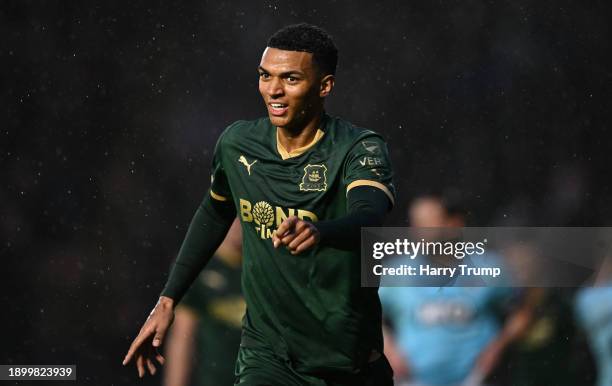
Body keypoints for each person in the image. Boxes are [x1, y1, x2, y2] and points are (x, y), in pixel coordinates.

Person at [123, 23, 396, 385]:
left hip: (347, 362)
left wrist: (320, 230)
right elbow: (214, 211)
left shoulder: (358, 148)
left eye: (291, 79)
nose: (274, 90)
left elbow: (369, 216)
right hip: (268, 357)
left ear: (324, 86)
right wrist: (169, 298)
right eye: (265, 76)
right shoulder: (237, 144)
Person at [380, 194, 536, 386]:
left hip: (475, 380)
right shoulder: (396, 273)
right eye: (416, 223)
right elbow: (368, 317)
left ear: (454, 224)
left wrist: (498, 347)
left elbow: (521, 313)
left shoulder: (489, 267)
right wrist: (390, 351)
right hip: (414, 381)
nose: (420, 231)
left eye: (428, 222)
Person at [163, 218, 244, 386]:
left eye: (243, 217)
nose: (237, 225)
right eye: (232, 217)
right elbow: (182, 337)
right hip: (215, 379)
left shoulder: (267, 264)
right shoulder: (198, 265)